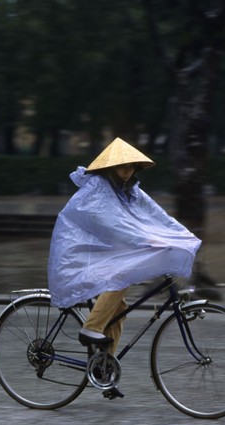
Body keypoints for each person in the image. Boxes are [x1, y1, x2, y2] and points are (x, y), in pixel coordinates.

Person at [48, 137, 201, 398]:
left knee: (119, 309)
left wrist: (182, 236)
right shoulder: (96, 188)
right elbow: (112, 224)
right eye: (124, 167)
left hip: (105, 252)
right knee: (121, 276)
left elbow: (158, 215)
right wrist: (146, 240)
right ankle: (91, 328)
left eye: (132, 167)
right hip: (81, 253)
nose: (129, 171)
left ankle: (104, 369)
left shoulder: (130, 190)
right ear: (111, 167)